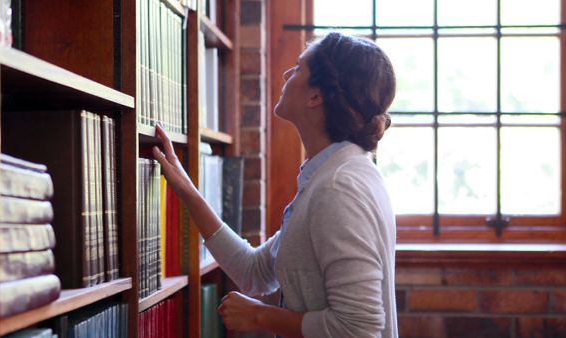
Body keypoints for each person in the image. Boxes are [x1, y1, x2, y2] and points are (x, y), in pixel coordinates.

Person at [152, 32, 397, 338]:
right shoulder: (330, 176)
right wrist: (187, 191)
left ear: (315, 96)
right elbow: (255, 273)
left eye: (298, 68)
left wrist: (259, 317)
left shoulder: (338, 188)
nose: (286, 74)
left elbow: (359, 330)